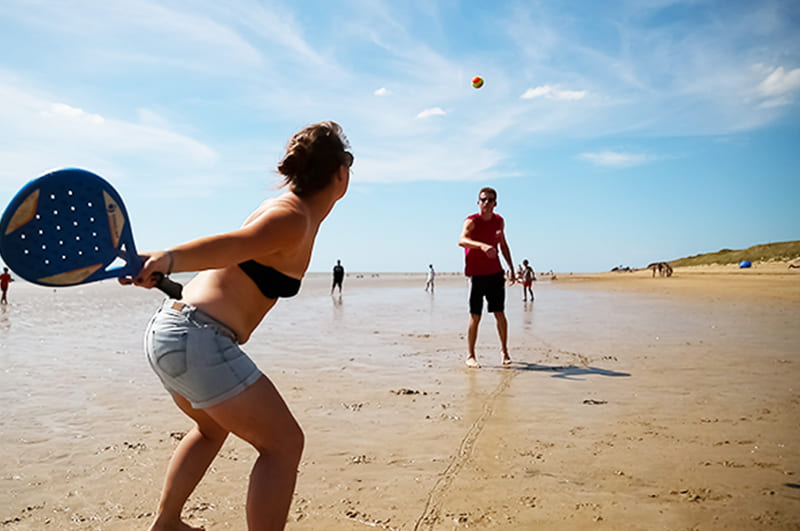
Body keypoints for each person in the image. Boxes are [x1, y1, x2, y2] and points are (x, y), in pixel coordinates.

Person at [122, 121, 352, 531]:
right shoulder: (291, 216)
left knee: (211, 429)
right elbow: (232, 245)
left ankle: (167, 523)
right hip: (197, 336)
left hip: (173, 331)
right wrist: (167, 258)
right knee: (284, 445)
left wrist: (165, 274)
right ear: (340, 172)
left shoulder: (293, 213)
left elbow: (233, 265)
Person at [458, 187, 515, 368]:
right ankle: (471, 355)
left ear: (495, 203)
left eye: (490, 200)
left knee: (499, 313)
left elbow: (503, 245)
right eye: (483, 200)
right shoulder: (472, 221)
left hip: (495, 273)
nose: (486, 203)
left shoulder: (499, 221)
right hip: (477, 275)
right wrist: (482, 246)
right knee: (476, 316)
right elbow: (462, 240)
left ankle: (504, 351)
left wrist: (511, 268)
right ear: (478, 202)